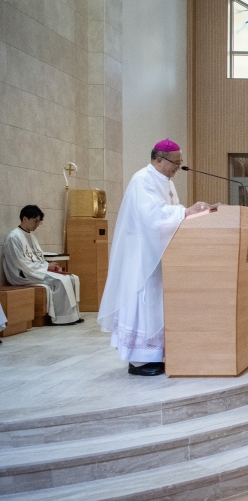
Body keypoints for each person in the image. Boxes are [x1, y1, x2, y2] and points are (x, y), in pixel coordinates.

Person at [98, 139, 211, 376]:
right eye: (176, 163)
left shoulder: (166, 182)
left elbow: (171, 213)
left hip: (157, 252)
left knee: (156, 303)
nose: (178, 168)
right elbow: (152, 215)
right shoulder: (142, 179)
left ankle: (154, 354)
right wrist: (185, 211)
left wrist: (189, 213)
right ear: (159, 160)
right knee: (143, 301)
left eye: (180, 162)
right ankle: (139, 360)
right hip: (141, 255)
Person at [3, 205, 82, 325]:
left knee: (72, 278)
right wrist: (46, 267)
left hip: (34, 270)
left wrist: (48, 265)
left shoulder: (31, 236)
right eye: (35, 221)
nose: (37, 225)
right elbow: (20, 263)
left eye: (39, 222)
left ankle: (73, 315)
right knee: (60, 281)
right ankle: (62, 318)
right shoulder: (13, 238)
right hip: (22, 274)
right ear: (25, 219)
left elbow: (37, 258)